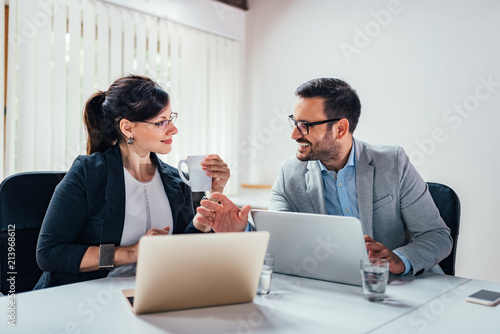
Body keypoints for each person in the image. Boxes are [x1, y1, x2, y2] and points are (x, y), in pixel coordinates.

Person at [35, 75, 249, 289]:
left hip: (151, 294)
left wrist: (202, 220)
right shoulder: (89, 172)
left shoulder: (175, 180)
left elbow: (180, 254)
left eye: (171, 118)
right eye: (160, 122)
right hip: (84, 298)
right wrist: (132, 252)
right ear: (128, 128)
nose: (173, 130)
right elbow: (49, 253)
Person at [269, 78, 452, 276]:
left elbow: (437, 236)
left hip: (397, 287)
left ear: (340, 129)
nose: (294, 134)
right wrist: (241, 229)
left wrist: (400, 260)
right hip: (330, 288)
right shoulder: (289, 175)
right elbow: (277, 243)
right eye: (295, 122)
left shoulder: (393, 164)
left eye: (305, 125)